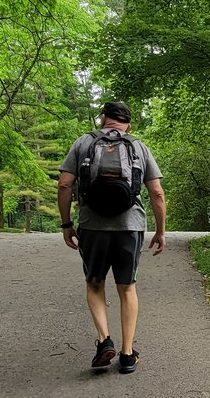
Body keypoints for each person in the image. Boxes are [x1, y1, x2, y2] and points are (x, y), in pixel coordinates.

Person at [57, 100, 167, 374]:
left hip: (92, 226)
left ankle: (105, 340)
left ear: (102, 119)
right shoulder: (138, 147)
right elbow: (157, 193)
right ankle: (127, 354)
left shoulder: (83, 143)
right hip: (129, 227)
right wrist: (161, 231)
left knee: (95, 284)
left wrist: (66, 224)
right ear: (128, 125)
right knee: (127, 287)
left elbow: (64, 184)